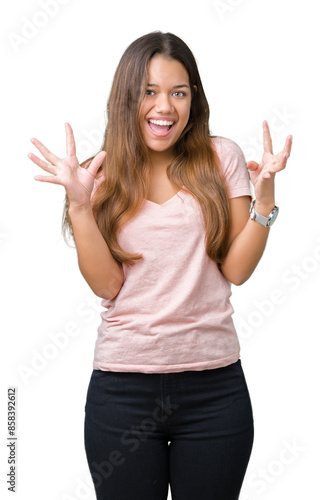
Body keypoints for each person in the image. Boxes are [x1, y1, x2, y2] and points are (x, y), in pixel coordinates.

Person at [28, 31, 292, 500]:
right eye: (149, 91)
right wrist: (80, 208)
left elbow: (236, 269)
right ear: (128, 96)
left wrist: (265, 197)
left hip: (215, 392)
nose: (164, 106)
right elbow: (108, 285)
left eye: (178, 92)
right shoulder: (101, 174)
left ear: (194, 98)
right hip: (122, 394)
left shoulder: (220, 157)